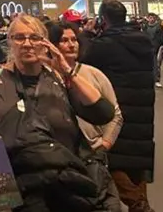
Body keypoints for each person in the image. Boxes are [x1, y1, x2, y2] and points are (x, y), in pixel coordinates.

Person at [0, 14, 115, 212]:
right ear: (9, 42)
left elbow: (103, 113)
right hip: (12, 189)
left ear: (45, 43)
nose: (27, 44)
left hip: (66, 187)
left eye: (35, 38)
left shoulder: (59, 78)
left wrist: (68, 71)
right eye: (19, 38)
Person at [81, 0, 157, 212]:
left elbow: (83, 61)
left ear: (102, 19)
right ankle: (141, 204)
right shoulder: (143, 40)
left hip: (116, 109)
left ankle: (139, 204)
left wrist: (86, 34)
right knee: (136, 161)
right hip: (143, 109)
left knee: (113, 159)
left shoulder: (104, 45)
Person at [47, 21, 125, 211]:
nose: (71, 45)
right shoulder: (44, 77)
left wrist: (105, 144)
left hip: (93, 156)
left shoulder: (94, 74)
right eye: (64, 40)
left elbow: (115, 114)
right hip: (58, 159)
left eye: (74, 39)